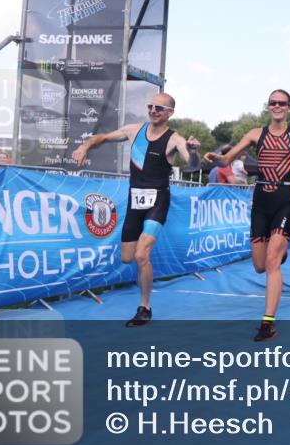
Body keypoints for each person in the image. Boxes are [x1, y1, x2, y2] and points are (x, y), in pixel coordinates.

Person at [206, 90, 290, 342]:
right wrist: (217, 158)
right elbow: (227, 158)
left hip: (285, 200)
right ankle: (280, 249)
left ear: (289, 108)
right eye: (273, 102)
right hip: (260, 201)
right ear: (268, 107)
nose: (277, 106)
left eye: (282, 103)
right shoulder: (255, 134)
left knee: (272, 263)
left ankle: (268, 323)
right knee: (260, 266)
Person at [71, 93, 200, 327]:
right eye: (150, 106)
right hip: (135, 201)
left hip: (158, 201)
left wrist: (193, 151)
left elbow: (192, 165)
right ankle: (146, 275)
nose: (153, 110)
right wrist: (85, 146)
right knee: (128, 257)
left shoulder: (174, 139)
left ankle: (145, 307)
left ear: (170, 113)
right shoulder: (134, 130)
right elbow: (103, 138)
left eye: (159, 108)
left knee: (142, 255)